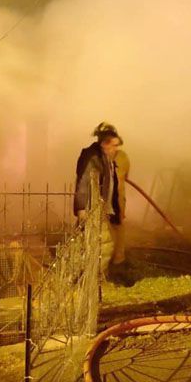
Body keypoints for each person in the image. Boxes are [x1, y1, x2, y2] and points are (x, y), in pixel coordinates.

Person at [74, 122, 132, 285]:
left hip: (102, 208)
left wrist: (116, 209)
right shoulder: (91, 157)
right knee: (103, 245)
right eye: (113, 145)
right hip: (92, 209)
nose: (116, 149)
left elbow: (113, 185)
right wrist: (82, 209)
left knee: (98, 244)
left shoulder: (106, 158)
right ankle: (95, 280)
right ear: (105, 143)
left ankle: (92, 278)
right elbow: (84, 183)